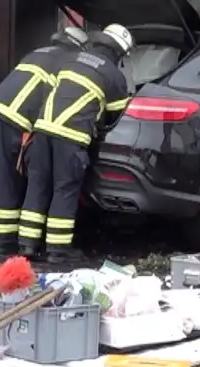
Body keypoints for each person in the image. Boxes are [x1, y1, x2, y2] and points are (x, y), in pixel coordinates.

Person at [0, 26, 90, 255]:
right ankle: (5, 243)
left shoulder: (38, 52)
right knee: (9, 179)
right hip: (16, 120)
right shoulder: (67, 62)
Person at [18, 24, 134, 263]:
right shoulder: (113, 75)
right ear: (119, 53)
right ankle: (57, 250)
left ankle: (27, 245)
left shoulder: (70, 60)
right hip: (71, 138)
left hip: (41, 132)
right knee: (65, 190)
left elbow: (48, 92)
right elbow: (114, 117)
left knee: (37, 186)